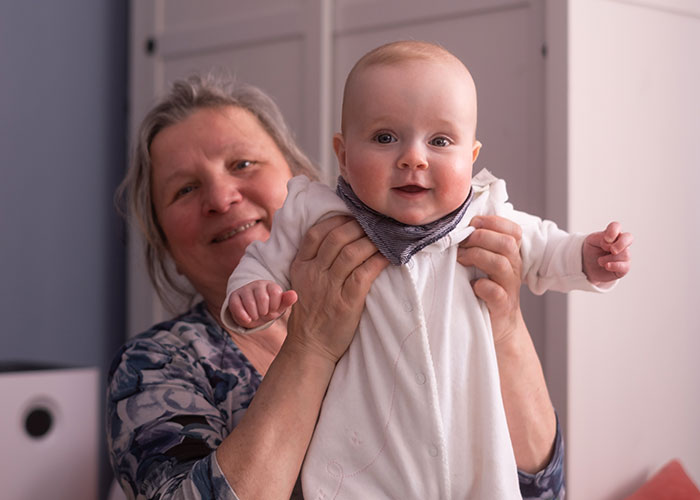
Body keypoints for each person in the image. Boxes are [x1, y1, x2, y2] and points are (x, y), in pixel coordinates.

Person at [107, 72, 569, 500]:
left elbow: (542, 489)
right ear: (162, 239)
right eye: (184, 189)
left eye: (244, 163)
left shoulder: (420, 300)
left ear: (298, 177)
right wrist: (312, 344)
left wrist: (504, 325)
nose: (222, 198)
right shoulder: (156, 365)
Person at [222, 41, 632, 499]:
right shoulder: (316, 216)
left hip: (472, 460)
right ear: (342, 152)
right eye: (384, 138)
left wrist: (589, 258)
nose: (413, 158)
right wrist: (252, 291)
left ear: (472, 156)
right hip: (364, 466)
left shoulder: (485, 213)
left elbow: (546, 248)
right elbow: (260, 262)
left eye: (440, 141)